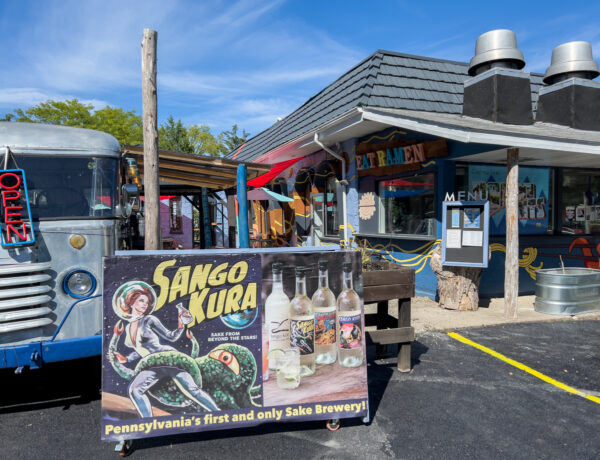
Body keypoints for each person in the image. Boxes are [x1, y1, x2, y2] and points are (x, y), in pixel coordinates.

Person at [112, 284, 219, 417]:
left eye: (147, 302)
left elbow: (171, 337)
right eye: (141, 301)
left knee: (193, 390)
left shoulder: (150, 320)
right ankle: (148, 423)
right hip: (151, 365)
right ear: (131, 302)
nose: (145, 305)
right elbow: (140, 349)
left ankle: (218, 413)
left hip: (168, 360)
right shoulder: (128, 328)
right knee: (135, 391)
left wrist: (180, 325)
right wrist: (126, 359)